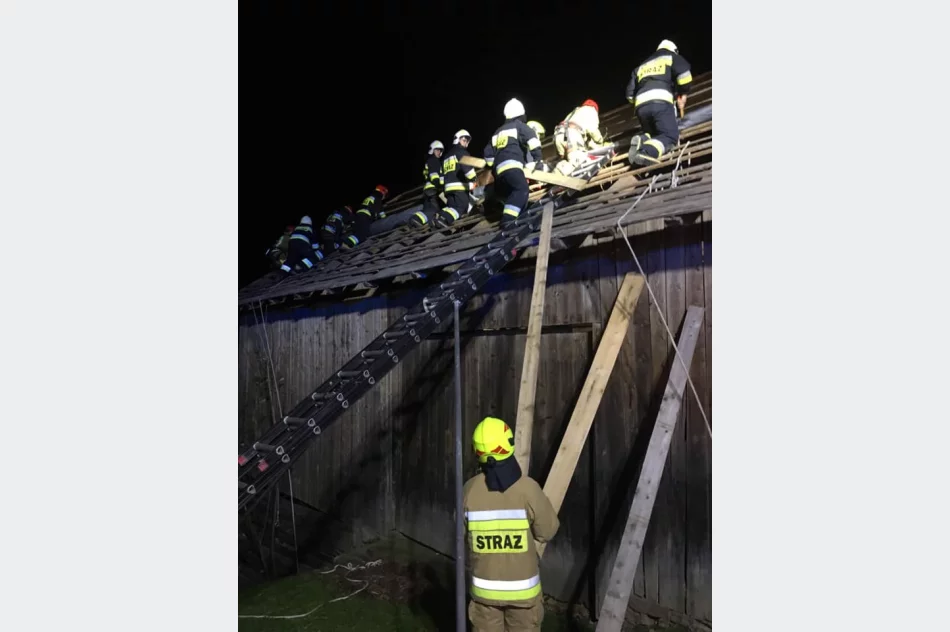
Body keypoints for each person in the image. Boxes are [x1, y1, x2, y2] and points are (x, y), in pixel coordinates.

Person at [463, 416, 559, 632]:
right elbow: (548, 531)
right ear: (508, 445)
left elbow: (459, 535)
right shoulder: (528, 489)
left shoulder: (468, 491)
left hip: (484, 596)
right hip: (523, 597)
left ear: (477, 451)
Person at [624, 39, 693, 166]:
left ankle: (642, 139)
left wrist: (642, 101)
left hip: (641, 107)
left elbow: (629, 95)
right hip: (660, 102)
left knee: (655, 134)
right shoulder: (671, 56)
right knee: (669, 136)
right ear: (674, 50)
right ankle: (646, 152)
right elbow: (685, 76)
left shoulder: (641, 66)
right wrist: (682, 93)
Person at [483, 98, 543, 227]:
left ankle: (518, 219)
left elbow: (488, 156)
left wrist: (495, 163)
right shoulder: (518, 126)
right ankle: (508, 221)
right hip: (513, 168)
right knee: (521, 190)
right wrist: (538, 160)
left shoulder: (497, 132)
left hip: (498, 175)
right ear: (521, 114)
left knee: (514, 196)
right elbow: (533, 140)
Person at [552, 99, 605, 175]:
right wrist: (600, 141)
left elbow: (587, 140)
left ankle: (552, 171)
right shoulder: (591, 111)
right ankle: (556, 175)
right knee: (578, 160)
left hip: (559, 135)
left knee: (566, 160)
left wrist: (593, 146)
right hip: (570, 135)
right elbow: (593, 130)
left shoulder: (575, 112)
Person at [437, 129, 479, 227]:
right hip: (459, 187)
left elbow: (441, 177)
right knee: (461, 207)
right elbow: (468, 169)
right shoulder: (461, 152)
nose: (466, 143)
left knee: (451, 207)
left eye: (467, 141)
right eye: (464, 140)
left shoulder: (446, 156)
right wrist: (474, 180)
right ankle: (444, 218)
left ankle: (438, 217)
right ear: (457, 140)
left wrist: (444, 186)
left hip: (448, 189)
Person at [410, 140, 444, 228]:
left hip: (427, 190)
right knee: (435, 209)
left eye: (440, 150)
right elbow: (434, 176)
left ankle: (416, 219)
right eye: (437, 150)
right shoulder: (434, 160)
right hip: (433, 189)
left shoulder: (429, 161)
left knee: (427, 209)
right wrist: (440, 186)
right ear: (432, 150)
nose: (439, 152)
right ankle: (422, 221)